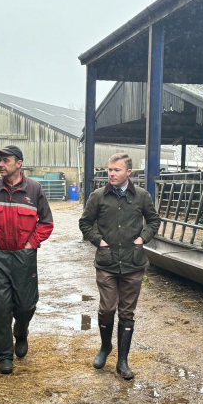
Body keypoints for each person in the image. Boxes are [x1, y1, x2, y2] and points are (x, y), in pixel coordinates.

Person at [0, 145, 53, 374]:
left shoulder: (34, 190)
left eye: (6, 160)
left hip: (23, 256)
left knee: (26, 305)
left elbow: (46, 223)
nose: (1, 164)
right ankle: (4, 356)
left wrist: (30, 244)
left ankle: (21, 331)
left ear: (19, 163)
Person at [78, 153, 160, 380]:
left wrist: (143, 238)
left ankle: (123, 361)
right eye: (109, 170)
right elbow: (85, 222)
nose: (111, 174)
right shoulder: (98, 197)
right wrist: (99, 241)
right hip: (107, 262)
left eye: (116, 170)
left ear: (128, 173)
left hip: (133, 263)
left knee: (127, 312)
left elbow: (154, 221)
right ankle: (105, 347)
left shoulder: (142, 196)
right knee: (106, 309)